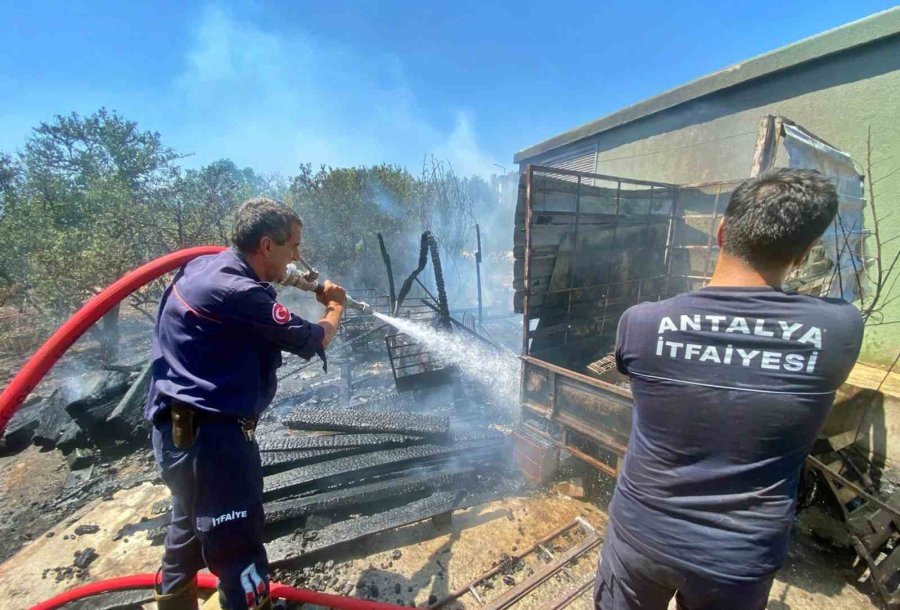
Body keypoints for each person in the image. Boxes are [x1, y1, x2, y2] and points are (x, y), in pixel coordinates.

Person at [594, 168, 864, 610]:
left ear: (721, 232)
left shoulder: (641, 322)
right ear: (805, 253)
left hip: (641, 534)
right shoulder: (840, 329)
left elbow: (634, 371)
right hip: (739, 556)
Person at [145, 197, 346, 610]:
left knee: (186, 532)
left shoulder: (205, 267)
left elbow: (256, 300)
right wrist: (335, 305)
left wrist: (287, 280)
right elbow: (313, 338)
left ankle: (174, 602)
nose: (298, 257)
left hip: (177, 437)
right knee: (238, 549)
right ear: (267, 245)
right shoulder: (238, 292)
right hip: (214, 445)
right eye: (294, 246)